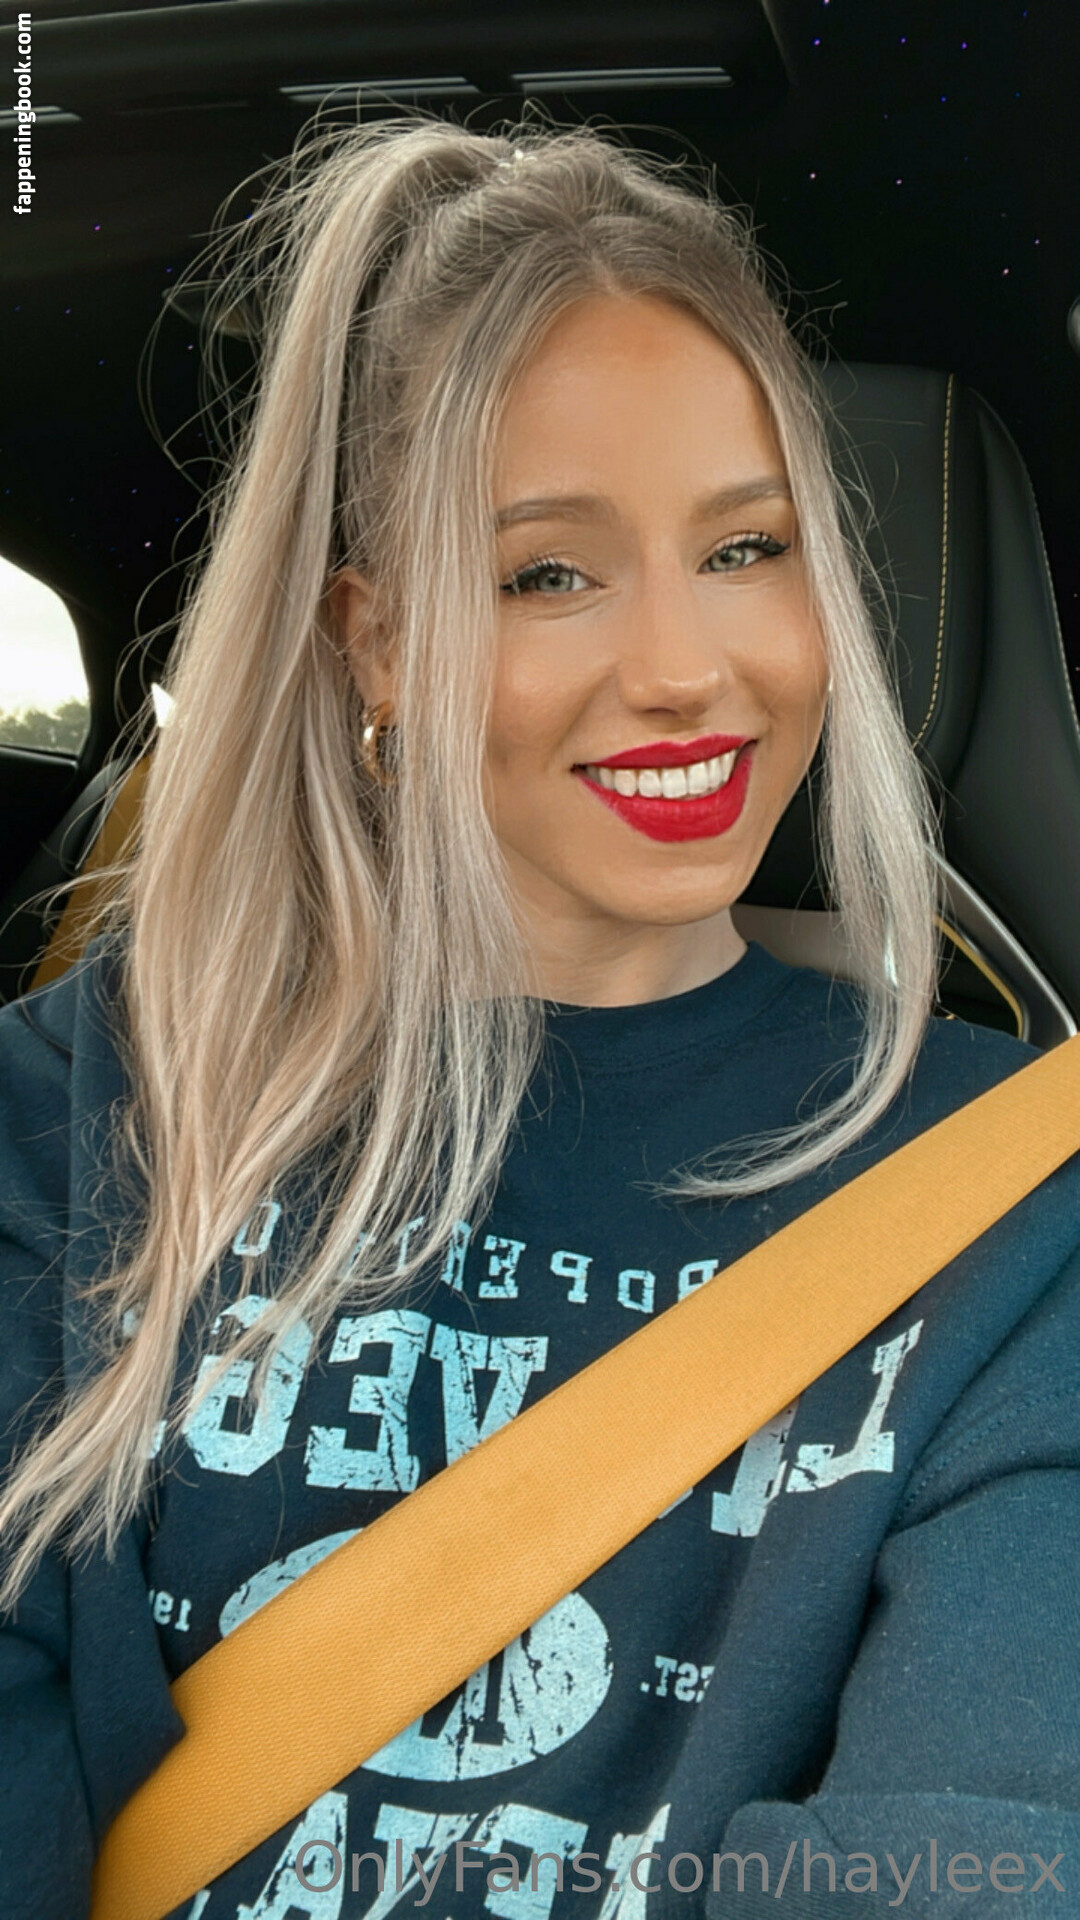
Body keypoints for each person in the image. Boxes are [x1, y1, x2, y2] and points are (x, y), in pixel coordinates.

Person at [0, 113, 1077, 1920]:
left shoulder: (1016, 1201)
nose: (686, 667)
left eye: (748, 548)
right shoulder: (76, 1113)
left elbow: (986, 1849)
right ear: (375, 643)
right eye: (548, 574)